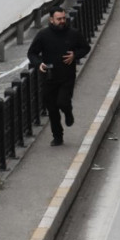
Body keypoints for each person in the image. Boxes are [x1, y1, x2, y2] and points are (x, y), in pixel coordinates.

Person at [26, 8, 90, 147]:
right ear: (51, 20)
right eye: (59, 19)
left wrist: (74, 55)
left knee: (62, 102)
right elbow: (32, 53)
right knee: (52, 110)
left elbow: (85, 48)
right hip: (49, 78)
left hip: (67, 76)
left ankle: (68, 112)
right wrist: (39, 64)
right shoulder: (43, 35)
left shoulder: (73, 34)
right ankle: (58, 137)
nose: (62, 21)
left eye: (63, 18)